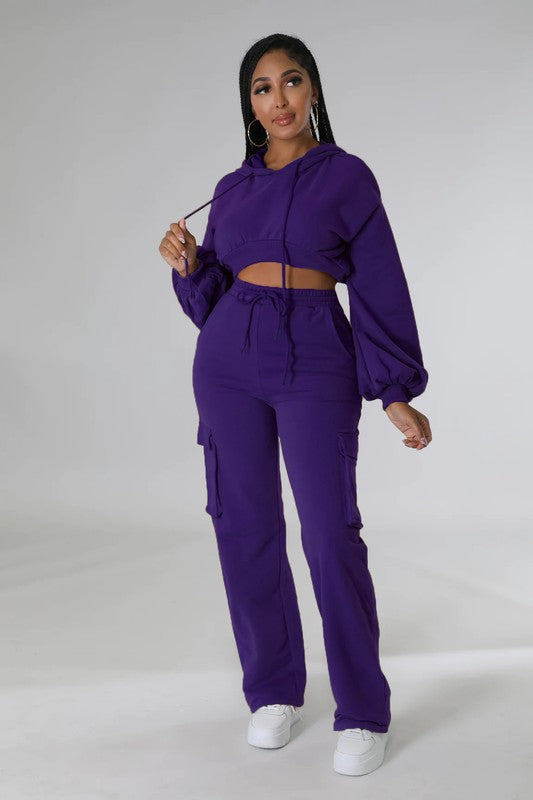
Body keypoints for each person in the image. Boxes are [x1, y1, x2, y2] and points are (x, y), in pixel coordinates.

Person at [159, 33, 432, 777]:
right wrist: (189, 265)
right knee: (243, 525)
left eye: (290, 81)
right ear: (249, 105)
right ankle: (273, 690)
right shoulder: (232, 187)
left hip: (315, 354)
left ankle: (363, 710)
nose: (278, 99)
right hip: (229, 359)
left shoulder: (346, 176)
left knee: (329, 533)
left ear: (312, 90)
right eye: (262, 88)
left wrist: (394, 392)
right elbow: (212, 296)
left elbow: (378, 282)